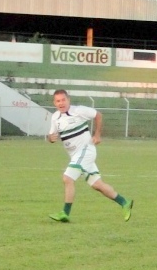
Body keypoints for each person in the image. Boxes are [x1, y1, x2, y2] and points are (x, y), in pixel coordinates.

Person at [46, 88, 133, 223]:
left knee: (67, 178)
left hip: (86, 151)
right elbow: (52, 137)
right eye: (58, 101)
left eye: (63, 100)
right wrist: (50, 138)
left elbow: (98, 115)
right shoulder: (55, 117)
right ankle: (124, 202)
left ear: (68, 100)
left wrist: (97, 134)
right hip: (76, 155)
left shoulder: (78, 111)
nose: (61, 103)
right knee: (97, 184)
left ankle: (65, 212)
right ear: (54, 103)